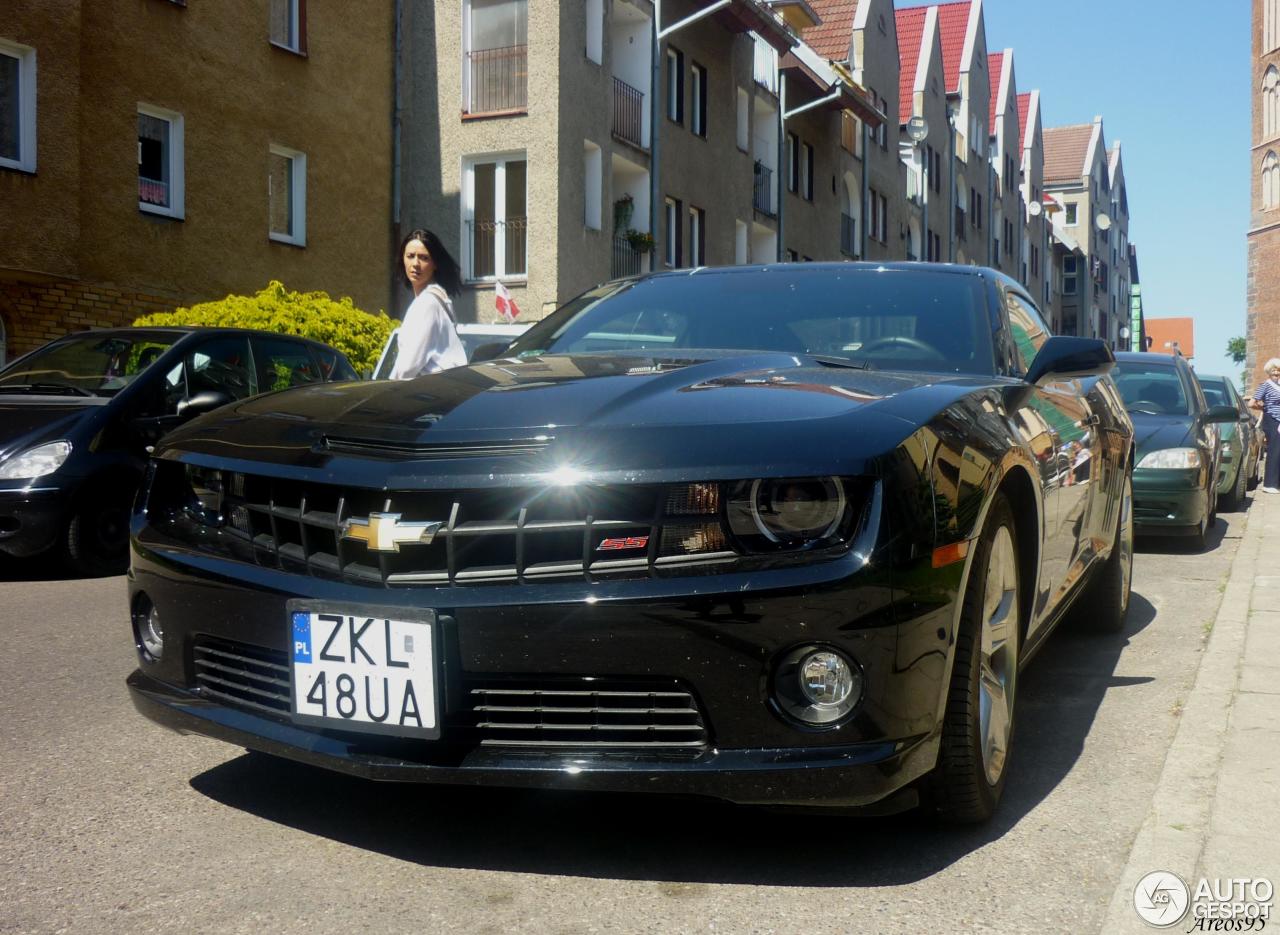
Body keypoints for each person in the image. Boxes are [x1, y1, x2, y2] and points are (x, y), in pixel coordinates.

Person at [389, 228, 467, 379]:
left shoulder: (427, 303)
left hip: (430, 393)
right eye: (410, 256)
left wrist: (385, 393)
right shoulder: (439, 300)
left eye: (424, 258)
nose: (416, 263)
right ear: (402, 259)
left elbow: (407, 367)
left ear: (435, 263)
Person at [1249, 357, 1280, 493]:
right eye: (1274, 373)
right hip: (1272, 420)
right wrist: (1264, 408)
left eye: (1278, 373)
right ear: (1269, 373)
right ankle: (1269, 484)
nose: (1277, 375)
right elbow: (1251, 402)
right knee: (1274, 451)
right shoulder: (1266, 385)